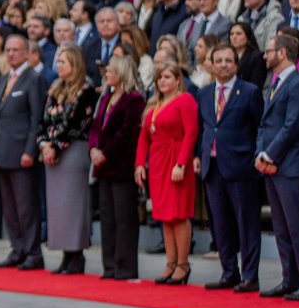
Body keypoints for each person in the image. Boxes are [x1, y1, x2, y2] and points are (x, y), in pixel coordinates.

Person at [256, 34, 299, 300]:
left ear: (282, 53)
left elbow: (293, 126)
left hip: (290, 165)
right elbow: (265, 125)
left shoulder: (297, 84)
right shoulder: (275, 84)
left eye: (269, 50)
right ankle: (289, 278)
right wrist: (260, 154)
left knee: (298, 226)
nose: (265, 55)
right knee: (281, 227)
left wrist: (269, 155)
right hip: (273, 164)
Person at [196, 44, 264, 291]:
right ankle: (229, 271)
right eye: (219, 60)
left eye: (228, 60)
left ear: (236, 65)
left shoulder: (249, 92)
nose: (223, 64)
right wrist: (197, 155)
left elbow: (259, 127)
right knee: (220, 223)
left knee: (246, 224)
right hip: (212, 167)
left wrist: (256, 156)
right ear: (211, 65)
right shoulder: (204, 93)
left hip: (241, 167)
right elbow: (203, 128)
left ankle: (250, 275)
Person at [0, 33, 49, 269]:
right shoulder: (4, 78)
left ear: (26, 52)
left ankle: (33, 252)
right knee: (10, 207)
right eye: (8, 49)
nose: (11, 53)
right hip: (2, 152)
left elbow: (36, 118)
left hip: (22, 152)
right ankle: (17, 248)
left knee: (26, 206)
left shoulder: (33, 79)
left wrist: (30, 151)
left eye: (16, 49)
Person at [135, 62, 200, 285]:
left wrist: (181, 163)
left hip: (176, 160)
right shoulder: (156, 106)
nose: (163, 81)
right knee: (164, 215)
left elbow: (191, 132)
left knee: (179, 213)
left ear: (178, 80)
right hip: (159, 163)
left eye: (168, 77)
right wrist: (139, 164)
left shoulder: (185, 100)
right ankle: (170, 262)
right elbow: (144, 137)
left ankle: (183, 263)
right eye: (160, 78)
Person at [37, 45, 99, 274]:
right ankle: (65, 253)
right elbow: (43, 121)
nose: (59, 66)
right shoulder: (55, 88)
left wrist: (55, 146)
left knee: (73, 204)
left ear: (75, 64)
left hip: (73, 152)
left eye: (64, 62)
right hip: (52, 154)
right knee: (58, 206)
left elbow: (76, 123)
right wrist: (43, 145)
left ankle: (76, 254)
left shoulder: (85, 90)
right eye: (58, 62)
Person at [88, 55, 146, 280]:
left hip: (120, 165)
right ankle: (109, 264)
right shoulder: (106, 98)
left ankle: (125, 266)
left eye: (110, 70)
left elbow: (127, 133)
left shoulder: (134, 99)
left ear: (122, 73)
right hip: (102, 166)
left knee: (124, 218)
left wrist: (105, 152)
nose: (106, 73)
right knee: (108, 217)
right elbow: (95, 126)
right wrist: (93, 149)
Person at [228, 21, 267, 89]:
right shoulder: (226, 56)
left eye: (239, 34)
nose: (234, 37)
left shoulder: (257, 57)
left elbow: (256, 85)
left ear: (248, 36)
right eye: (231, 34)